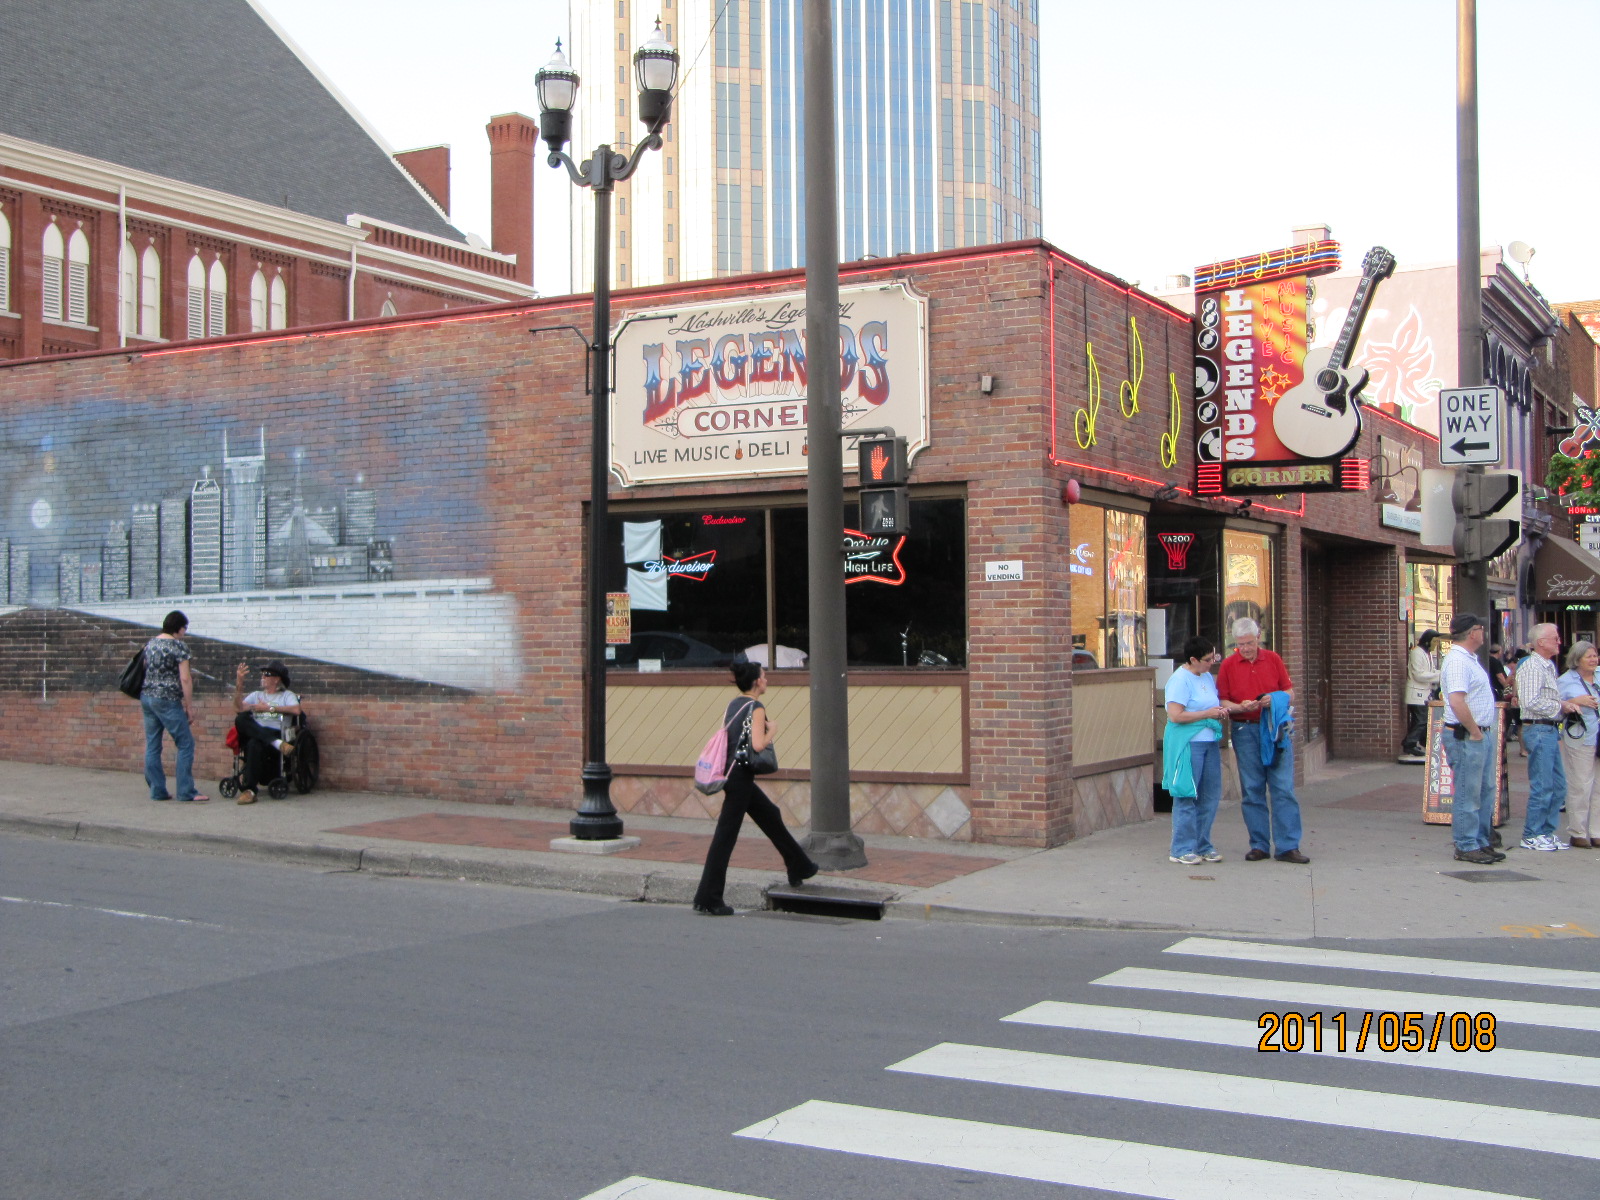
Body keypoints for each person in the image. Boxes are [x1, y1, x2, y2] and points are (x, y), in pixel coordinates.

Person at [692, 660, 819, 915]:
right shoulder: (756, 707)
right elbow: (758, 745)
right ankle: (708, 898)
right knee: (725, 836)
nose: (767, 679)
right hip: (740, 778)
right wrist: (773, 730)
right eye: (764, 676)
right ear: (757, 681)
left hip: (734, 775)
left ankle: (799, 865)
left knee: (770, 814)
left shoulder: (734, 704)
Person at [1217, 618, 1308, 864]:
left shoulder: (1273, 659)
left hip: (1274, 728)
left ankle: (1288, 846)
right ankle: (1258, 845)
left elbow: (1290, 692)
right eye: (1240, 644)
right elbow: (1222, 701)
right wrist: (1240, 706)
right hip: (1245, 728)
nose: (1245, 648)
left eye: (1249, 643)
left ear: (1258, 638)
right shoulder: (1228, 665)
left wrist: (1273, 698)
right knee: (1252, 789)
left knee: (1283, 788)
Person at [1439, 613, 1504, 864]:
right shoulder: (1457, 661)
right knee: (1469, 791)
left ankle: (1481, 840)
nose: (1483, 633)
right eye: (1481, 628)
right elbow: (1457, 700)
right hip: (1466, 735)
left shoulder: (1469, 659)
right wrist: (1474, 731)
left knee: (1485, 790)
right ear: (1472, 632)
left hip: (1478, 733)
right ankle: (1466, 844)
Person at [1162, 635, 1226, 867]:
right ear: (1193, 659)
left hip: (1209, 740)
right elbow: (1175, 715)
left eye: (1214, 658)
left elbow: (1210, 704)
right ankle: (1181, 847)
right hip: (1189, 743)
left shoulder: (1206, 676)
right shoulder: (1180, 680)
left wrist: (1219, 711)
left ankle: (1202, 843)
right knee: (1187, 793)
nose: (1211, 663)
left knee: (1209, 795)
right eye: (1207, 660)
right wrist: (1207, 714)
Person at [1515, 624, 1574, 851]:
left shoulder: (1547, 665)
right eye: (1555, 638)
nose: (1559, 642)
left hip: (1549, 729)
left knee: (1558, 785)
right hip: (1539, 728)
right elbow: (1530, 701)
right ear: (1541, 642)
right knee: (1543, 785)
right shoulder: (1532, 666)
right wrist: (1561, 706)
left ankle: (1546, 832)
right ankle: (1532, 834)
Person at [141, 610, 206, 803]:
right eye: (185, 628)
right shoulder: (179, 647)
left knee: (153, 745)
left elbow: (145, 667)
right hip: (168, 699)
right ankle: (186, 791)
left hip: (147, 697)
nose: (185, 632)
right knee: (186, 744)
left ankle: (157, 790)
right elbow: (185, 678)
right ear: (179, 628)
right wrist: (189, 707)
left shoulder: (151, 644)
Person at [231, 660, 302, 805]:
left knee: (254, 743)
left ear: (277, 679)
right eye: (262, 674)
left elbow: (296, 710)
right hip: (258, 731)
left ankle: (250, 790)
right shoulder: (256, 695)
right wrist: (239, 682)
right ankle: (276, 743)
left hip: (276, 731)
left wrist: (269, 708)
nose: (262, 677)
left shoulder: (286, 695)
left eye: (267, 674)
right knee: (241, 719)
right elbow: (238, 708)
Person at [1556, 640, 1600, 849]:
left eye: (1595, 655)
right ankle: (1578, 831)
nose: (1593, 660)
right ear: (1577, 659)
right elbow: (1555, 708)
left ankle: (1597, 832)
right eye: (1588, 656)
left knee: (1599, 787)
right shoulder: (1565, 681)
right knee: (1581, 785)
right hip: (1581, 737)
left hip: (1599, 737)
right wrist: (1576, 702)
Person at [1401, 630, 1440, 760]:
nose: (1436, 644)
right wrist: (1439, 676)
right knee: (1421, 720)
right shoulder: (1417, 653)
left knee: (1421, 720)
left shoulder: (1427, 654)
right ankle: (1410, 743)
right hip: (1416, 693)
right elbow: (1418, 674)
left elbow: (1431, 671)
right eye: (1435, 641)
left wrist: (1439, 673)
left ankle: (1419, 742)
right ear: (1428, 641)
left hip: (1424, 693)